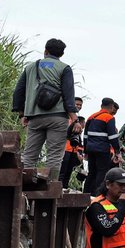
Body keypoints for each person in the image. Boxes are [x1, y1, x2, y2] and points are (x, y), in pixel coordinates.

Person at [12, 38, 77, 182]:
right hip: (57, 117)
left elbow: (19, 91)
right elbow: (68, 94)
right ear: (61, 54)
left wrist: (22, 113)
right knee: (54, 156)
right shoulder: (64, 68)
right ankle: (50, 187)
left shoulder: (30, 67)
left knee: (29, 155)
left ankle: (25, 185)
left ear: (45, 51)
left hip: (34, 117)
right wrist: (74, 117)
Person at [84, 98, 122, 196]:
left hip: (90, 149)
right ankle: (98, 195)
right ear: (112, 106)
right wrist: (117, 151)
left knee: (91, 173)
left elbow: (85, 136)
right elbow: (113, 136)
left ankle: (86, 195)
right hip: (102, 149)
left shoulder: (91, 117)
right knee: (102, 173)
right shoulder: (109, 117)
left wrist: (85, 151)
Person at [60, 96, 86, 188]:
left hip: (73, 150)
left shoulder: (77, 120)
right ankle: (58, 191)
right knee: (62, 173)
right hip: (64, 148)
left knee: (68, 172)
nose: (79, 106)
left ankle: (65, 190)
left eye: (80, 105)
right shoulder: (65, 117)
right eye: (77, 104)